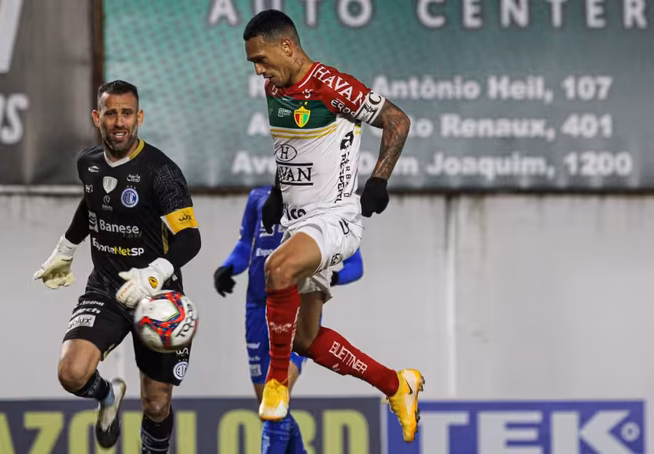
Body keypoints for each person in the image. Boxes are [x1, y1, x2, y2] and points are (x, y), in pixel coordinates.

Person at [242, 10, 424, 443]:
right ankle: (397, 385)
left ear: (288, 46)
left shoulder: (332, 85)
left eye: (262, 59)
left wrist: (378, 180)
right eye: (253, 63)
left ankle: (276, 383)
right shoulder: (274, 88)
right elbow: (292, 149)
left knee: (276, 270)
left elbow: (398, 121)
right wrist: (277, 192)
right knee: (305, 339)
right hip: (298, 224)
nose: (259, 71)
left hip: (334, 220)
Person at [33, 80, 201, 451]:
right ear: (97, 118)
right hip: (107, 288)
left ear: (139, 117)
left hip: (157, 297)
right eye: (111, 113)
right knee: (71, 373)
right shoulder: (88, 162)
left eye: (127, 113)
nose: (119, 121)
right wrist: (65, 249)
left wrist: (154, 275)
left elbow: (190, 239)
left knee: (156, 404)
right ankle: (107, 395)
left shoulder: (162, 172)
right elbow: (92, 203)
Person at [214, 185, 364, 453]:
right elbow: (245, 245)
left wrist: (332, 277)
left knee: (275, 399)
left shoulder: (324, 200)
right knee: (268, 408)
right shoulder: (258, 198)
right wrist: (228, 268)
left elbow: (356, 266)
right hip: (257, 308)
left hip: (298, 308)